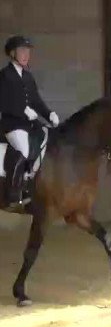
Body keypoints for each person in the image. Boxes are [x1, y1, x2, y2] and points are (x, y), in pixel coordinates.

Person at [0, 35, 59, 207]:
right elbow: (2, 103)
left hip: (29, 124)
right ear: (12, 54)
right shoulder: (4, 76)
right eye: (22, 51)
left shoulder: (27, 76)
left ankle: (34, 187)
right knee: (24, 149)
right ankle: (14, 192)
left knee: (46, 143)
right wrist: (22, 111)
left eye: (28, 52)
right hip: (12, 125)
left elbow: (36, 101)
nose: (26, 55)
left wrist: (49, 115)